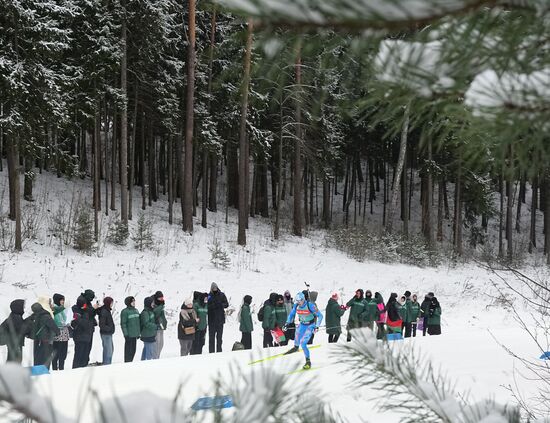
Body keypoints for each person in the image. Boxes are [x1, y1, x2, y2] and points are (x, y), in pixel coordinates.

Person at [283, 291, 323, 370]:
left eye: (300, 301)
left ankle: (308, 361)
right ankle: (295, 347)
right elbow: (291, 315)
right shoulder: (296, 306)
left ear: (303, 299)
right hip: (302, 324)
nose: (299, 303)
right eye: (297, 301)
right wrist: (287, 323)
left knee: (303, 343)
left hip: (310, 325)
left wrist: (317, 326)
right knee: (297, 336)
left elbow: (320, 316)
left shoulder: (310, 305)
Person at [30, 299, 60, 369]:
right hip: (46, 339)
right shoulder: (46, 316)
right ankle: (44, 371)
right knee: (46, 356)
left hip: (37, 340)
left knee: (37, 356)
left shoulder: (34, 316)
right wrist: (57, 332)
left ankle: (37, 370)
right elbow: (53, 326)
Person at [71, 295, 96, 368]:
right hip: (79, 336)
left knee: (85, 355)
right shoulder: (76, 311)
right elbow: (81, 323)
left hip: (86, 336)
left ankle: (83, 367)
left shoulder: (86, 311)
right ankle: (76, 369)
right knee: (78, 354)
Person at [207, 283, 229, 353]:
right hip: (212, 320)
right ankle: (211, 352)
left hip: (220, 320)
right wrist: (212, 306)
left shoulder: (222, 295)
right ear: (211, 289)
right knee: (211, 338)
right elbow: (206, 306)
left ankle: (219, 351)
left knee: (219, 338)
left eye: (215, 288)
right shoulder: (209, 296)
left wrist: (221, 305)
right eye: (213, 288)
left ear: (217, 288)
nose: (214, 289)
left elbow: (226, 304)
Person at [80, 289, 98, 364]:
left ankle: (85, 362)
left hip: (89, 328)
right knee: (84, 348)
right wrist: (93, 309)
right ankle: (82, 363)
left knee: (88, 347)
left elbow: (90, 313)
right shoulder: (82, 301)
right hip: (85, 329)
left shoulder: (87, 302)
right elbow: (85, 311)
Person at [52, 294, 70, 370]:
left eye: (63, 300)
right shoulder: (54, 308)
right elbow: (58, 321)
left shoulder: (62, 309)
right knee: (57, 353)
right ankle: (55, 368)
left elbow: (65, 319)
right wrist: (65, 323)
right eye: (61, 300)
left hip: (64, 334)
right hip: (58, 334)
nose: (63, 301)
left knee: (63, 353)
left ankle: (61, 367)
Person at [120, 296, 140, 362]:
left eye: (134, 301)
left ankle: (130, 363)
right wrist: (126, 334)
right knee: (128, 352)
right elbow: (123, 324)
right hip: (129, 335)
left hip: (135, 335)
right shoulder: (125, 312)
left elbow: (138, 323)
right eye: (132, 301)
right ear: (128, 302)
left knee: (133, 351)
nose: (134, 302)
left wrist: (138, 333)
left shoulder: (136, 310)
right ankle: (127, 364)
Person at [98, 297, 115, 365]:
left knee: (110, 350)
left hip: (108, 334)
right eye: (111, 303)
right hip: (106, 334)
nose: (112, 304)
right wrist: (109, 328)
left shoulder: (107, 310)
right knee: (108, 351)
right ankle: (106, 365)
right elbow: (102, 325)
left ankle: (108, 364)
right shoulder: (104, 311)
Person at [152, 291, 167, 359]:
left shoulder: (161, 305)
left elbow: (162, 315)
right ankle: (155, 357)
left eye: (162, 297)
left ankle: (158, 356)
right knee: (157, 343)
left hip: (161, 326)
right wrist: (161, 306)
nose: (161, 299)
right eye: (160, 298)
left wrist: (165, 322)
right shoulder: (153, 304)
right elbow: (155, 313)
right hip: (156, 326)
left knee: (161, 344)